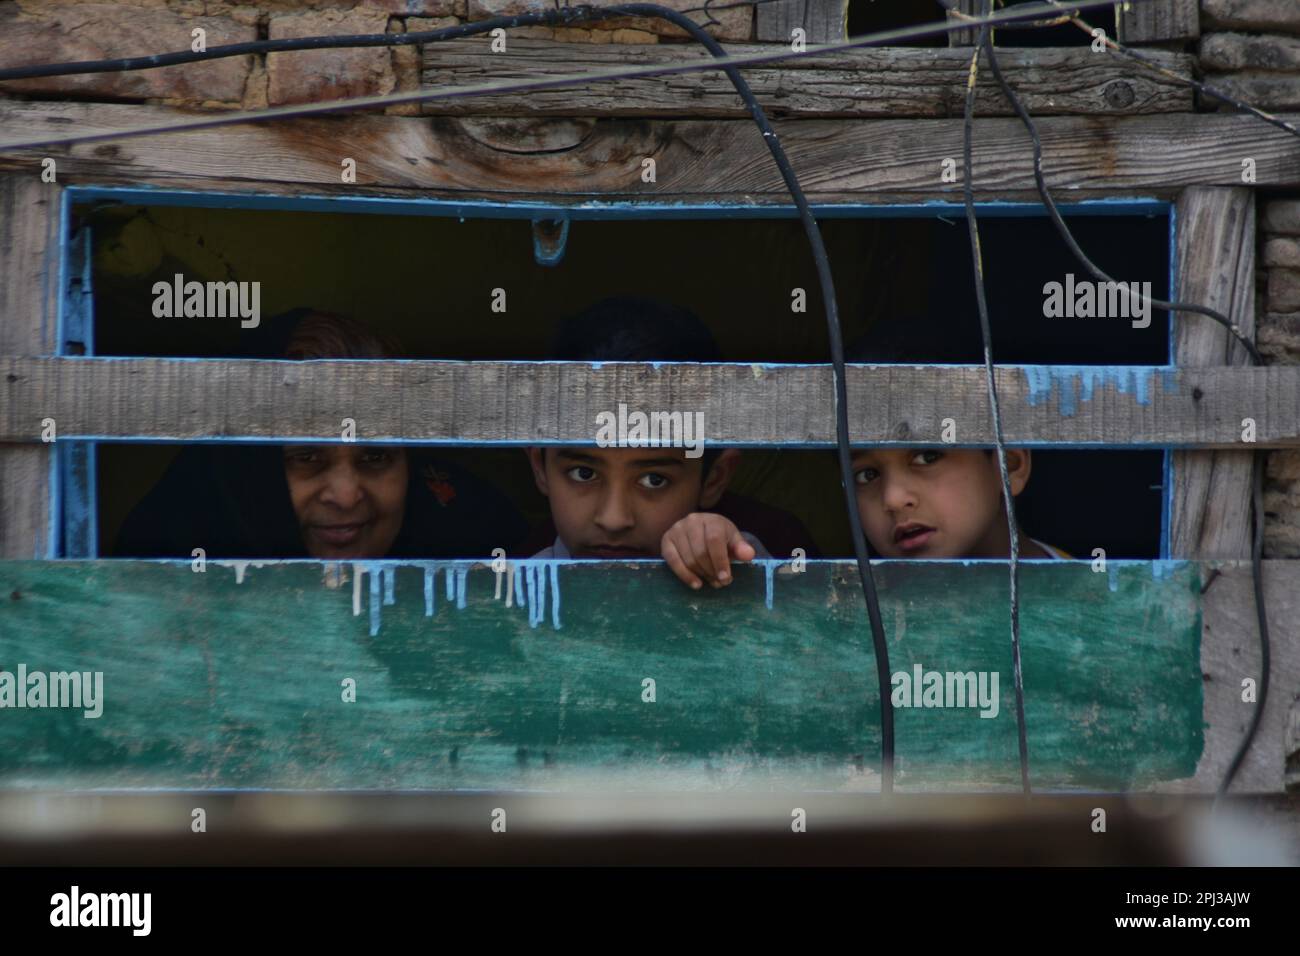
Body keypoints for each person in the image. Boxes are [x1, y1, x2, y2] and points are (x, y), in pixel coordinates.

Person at [113, 309, 527, 560]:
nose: (346, 496)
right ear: (250, 467)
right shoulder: (171, 551)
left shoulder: (477, 542)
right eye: (307, 458)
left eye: (376, 457)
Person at [526, 297, 772, 589]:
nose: (614, 519)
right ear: (540, 467)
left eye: (654, 480)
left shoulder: (731, 565)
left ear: (714, 479)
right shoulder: (515, 597)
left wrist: (722, 569)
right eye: (584, 473)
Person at [845, 316, 1069, 560]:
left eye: (927, 457)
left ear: (1009, 466)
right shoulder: (838, 598)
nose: (893, 498)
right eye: (867, 475)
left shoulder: (1100, 594)